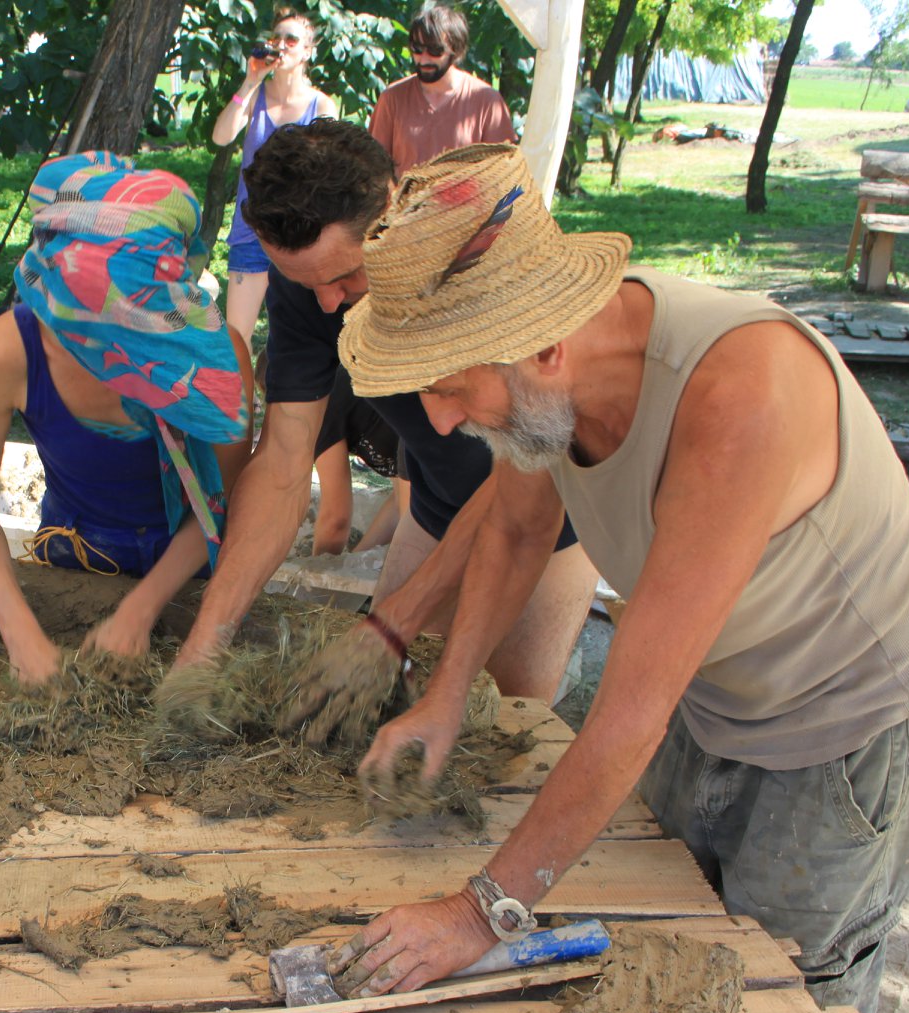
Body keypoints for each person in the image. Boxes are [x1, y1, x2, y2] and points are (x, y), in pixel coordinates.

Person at [314, 144, 909, 1013]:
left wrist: (480, 912)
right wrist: (444, 695)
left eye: (446, 386)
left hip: (847, 718)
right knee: (665, 943)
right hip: (719, 692)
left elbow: (628, 714)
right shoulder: (552, 393)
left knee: (778, 1000)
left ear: (543, 350)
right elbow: (519, 533)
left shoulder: (739, 395)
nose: (434, 420)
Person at [166, 120, 597, 707]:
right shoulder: (311, 284)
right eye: (301, 282)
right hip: (433, 506)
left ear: (391, 212)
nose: (326, 303)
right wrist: (204, 644)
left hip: (542, 524)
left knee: (500, 723)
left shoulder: (475, 264)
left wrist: (393, 622)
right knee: (379, 709)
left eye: (345, 277)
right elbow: (285, 464)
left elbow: (519, 485)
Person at [0, 154, 252, 686]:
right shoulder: (6, 352)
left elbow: (217, 502)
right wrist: (20, 633)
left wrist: (143, 608)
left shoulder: (213, 361)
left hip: (190, 570)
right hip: (77, 559)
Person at [210, 7, 336, 345]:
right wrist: (251, 81)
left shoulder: (321, 106)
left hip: (299, 236)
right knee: (237, 339)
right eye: (276, 37)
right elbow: (221, 137)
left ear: (308, 51)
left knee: (299, 341)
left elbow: (327, 178)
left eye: (291, 39)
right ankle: (244, 401)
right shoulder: (255, 99)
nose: (281, 44)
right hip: (251, 233)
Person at [369, 3, 513, 177]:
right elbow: (374, 171)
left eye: (435, 51)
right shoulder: (392, 98)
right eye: (417, 49)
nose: (423, 59)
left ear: (456, 51)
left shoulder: (487, 102)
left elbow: (503, 176)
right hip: (405, 203)